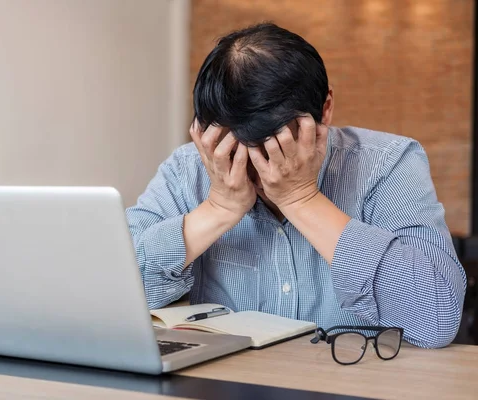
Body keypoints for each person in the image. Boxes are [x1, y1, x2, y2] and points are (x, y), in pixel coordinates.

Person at [126, 23, 466, 348]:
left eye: (270, 148)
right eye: (234, 150)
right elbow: (104, 296)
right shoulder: (188, 169)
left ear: (325, 109)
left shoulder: (387, 163)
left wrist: (301, 199)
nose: (255, 168)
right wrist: (218, 210)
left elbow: (436, 319)